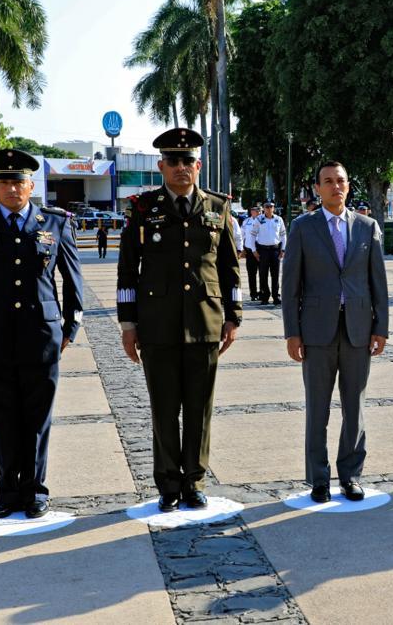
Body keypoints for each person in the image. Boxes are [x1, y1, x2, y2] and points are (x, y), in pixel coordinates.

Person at [0, 149, 84, 520]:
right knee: (2, 415)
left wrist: (70, 327)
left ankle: (35, 491)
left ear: (30, 185)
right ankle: (8, 491)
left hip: (42, 334)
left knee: (38, 417)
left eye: (18, 181)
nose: (11, 188)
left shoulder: (54, 222)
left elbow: (73, 282)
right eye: (3, 181)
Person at [116, 127, 242, 511]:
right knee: (164, 408)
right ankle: (168, 484)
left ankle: (194, 481)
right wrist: (128, 325)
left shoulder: (218, 208)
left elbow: (230, 269)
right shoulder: (142, 208)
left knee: (200, 409)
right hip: (157, 325)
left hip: (205, 323)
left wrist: (233, 317)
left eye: (188, 161)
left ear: (198, 165)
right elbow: (127, 271)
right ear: (161, 166)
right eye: (173, 161)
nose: (181, 167)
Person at [281, 161, 389, 503]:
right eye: (328, 182)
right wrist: (292, 332)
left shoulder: (367, 227)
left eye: (340, 180)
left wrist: (381, 327)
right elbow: (290, 285)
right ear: (317, 188)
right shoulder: (302, 227)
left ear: (347, 184)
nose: (335, 186)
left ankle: (351, 476)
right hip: (315, 331)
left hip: (358, 329)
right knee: (318, 408)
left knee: (354, 407)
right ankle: (318, 479)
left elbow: (378, 283)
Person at [251, 201, 286, 305]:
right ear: (263, 208)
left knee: (275, 275)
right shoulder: (259, 219)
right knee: (263, 274)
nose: (269, 208)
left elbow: (283, 235)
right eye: (267, 206)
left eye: (271, 206)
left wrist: (283, 249)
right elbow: (253, 235)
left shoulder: (278, 219)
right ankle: (265, 296)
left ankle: (276, 296)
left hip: (275, 250)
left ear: (274, 208)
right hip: (263, 250)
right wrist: (254, 250)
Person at [241, 205, 261, 301]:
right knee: (251, 274)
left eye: (257, 210)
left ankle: (262, 292)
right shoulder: (246, 221)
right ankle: (253, 294)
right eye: (253, 210)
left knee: (263, 273)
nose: (254, 211)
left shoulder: (263, 220)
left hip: (261, 249)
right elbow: (242, 236)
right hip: (249, 250)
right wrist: (242, 249)